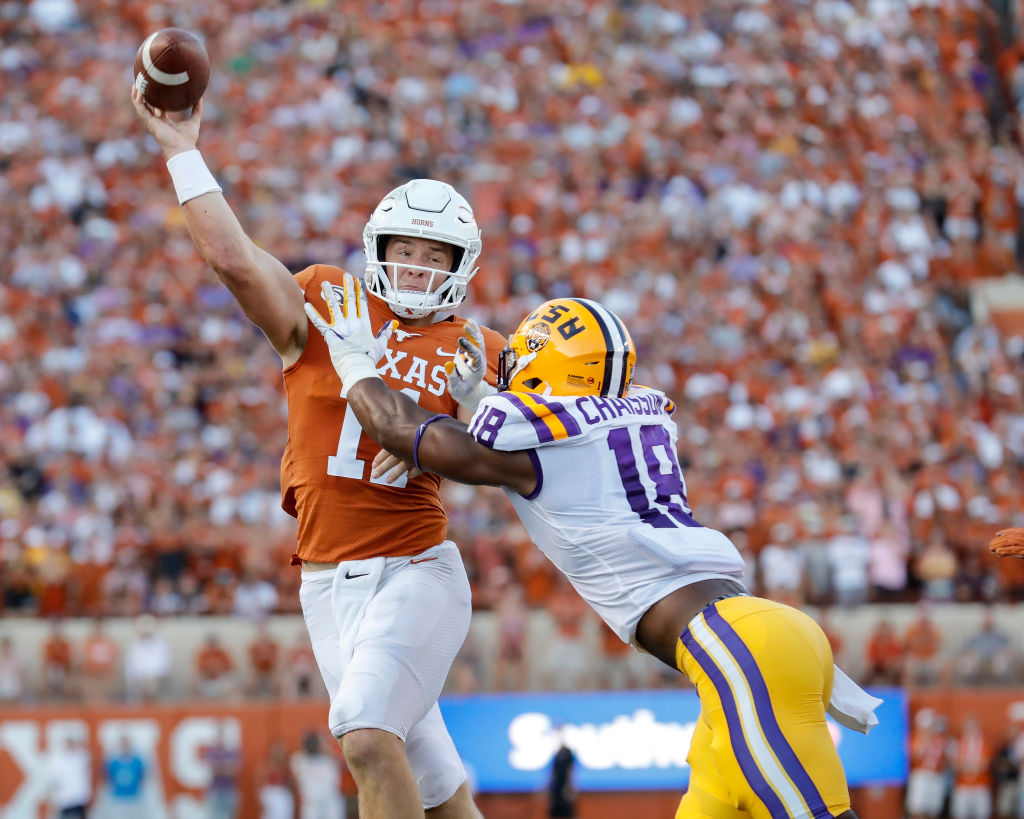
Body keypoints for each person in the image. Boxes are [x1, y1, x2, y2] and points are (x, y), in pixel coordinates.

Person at [306, 278, 883, 819]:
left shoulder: (538, 443)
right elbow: (554, 447)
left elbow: (399, 429)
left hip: (738, 653)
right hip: (759, 636)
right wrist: (477, 397)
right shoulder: (628, 416)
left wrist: (356, 361)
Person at [131, 84, 503, 819]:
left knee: (365, 736)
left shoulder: (478, 347)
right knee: (433, 784)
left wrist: (466, 418)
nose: (419, 267)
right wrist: (183, 152)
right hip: (327, 584)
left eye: (436, 255)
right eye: (405, 250)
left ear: (461, 264)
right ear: (377, 249)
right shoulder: (329, 300)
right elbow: (236, 264)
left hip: (416, 568)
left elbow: (521, 458)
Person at [291, 730, 346, 819]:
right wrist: (307, 741)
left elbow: (345, 764)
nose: (314, 745)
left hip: (331, 801)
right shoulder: (300, 760)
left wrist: (324, 746)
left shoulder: (330, 759)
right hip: (311, 803)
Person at [47, 734, 93, 819]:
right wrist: (54, 798)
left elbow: (85, 756)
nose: (70, 745)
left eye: (71, 742)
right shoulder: (58, 759)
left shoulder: (80, 757)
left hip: (79, 798)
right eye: (68, 742)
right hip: (64, 799)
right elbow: (54, 780)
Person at [102, 735, 147, 819]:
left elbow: (142, 775)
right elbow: (108, 776)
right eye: (123, 744)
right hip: (118, 796)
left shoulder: (137, 761)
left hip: (134, 796)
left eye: (126, 744)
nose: (125, 747)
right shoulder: (114, 762)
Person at [547, 732, 578, 819]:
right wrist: (547, 788)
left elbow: (571, 772)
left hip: (565, 789)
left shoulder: (569, 754)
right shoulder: (556, 755)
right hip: (556, 790)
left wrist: (570, 787)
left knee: (568, 812)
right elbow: (552, 774)